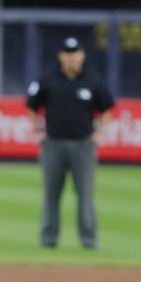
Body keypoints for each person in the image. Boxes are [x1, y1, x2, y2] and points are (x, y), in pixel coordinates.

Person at [26, 37, 114, 250]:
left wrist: (101, 132)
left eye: (75, 54)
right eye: (67, 53)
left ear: (82, 56)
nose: (71, 58)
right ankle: (48, 240)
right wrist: (37, 129)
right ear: (61, 56)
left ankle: (89, 240)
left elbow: (107, 108)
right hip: (53, 144)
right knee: (51, 195)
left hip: (83, 145)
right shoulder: (47, 79)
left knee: (85, 196)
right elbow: (31, 105)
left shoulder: (93, 81)